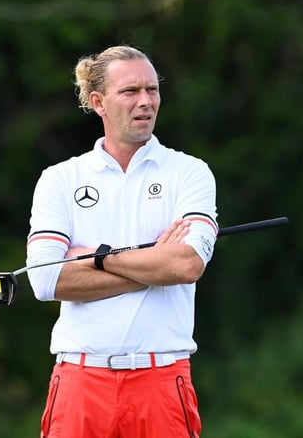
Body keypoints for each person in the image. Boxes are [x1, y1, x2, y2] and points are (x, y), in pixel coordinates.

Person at [26, 45, 218, 437]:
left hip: (162, 378)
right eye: (131, 92)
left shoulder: (190, 172)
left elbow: (186, 265)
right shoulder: (60, 178)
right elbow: (46, 281)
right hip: (81, 379)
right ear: (98, 102)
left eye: (152, 90)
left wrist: (95, 258)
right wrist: (155, 263)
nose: (146, 101)